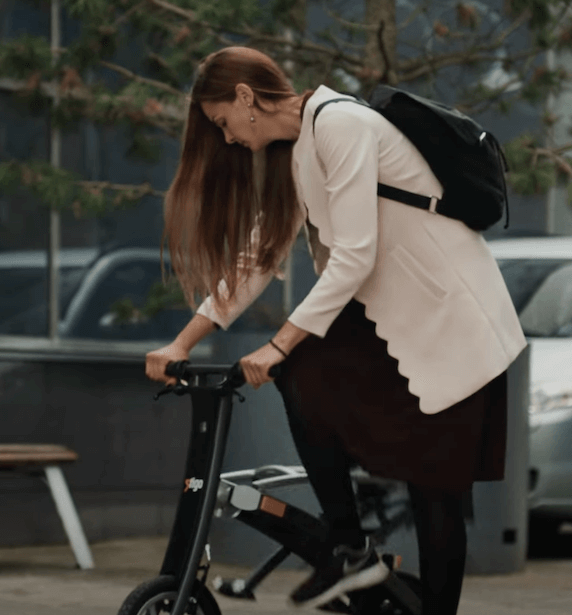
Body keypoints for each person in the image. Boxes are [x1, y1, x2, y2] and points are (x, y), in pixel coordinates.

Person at [144, 47, 527, 614]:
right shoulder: (298, 151)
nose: (226, 139)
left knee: (436, 489)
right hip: (391, 317)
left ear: (246, 98)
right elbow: (260, 255)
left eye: (223, 123)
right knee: (304, 374)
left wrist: (278, 344)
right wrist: (185, 340)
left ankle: (384, 574)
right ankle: (349, 548)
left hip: (450, 318)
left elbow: (354, 256)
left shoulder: (342, 124)